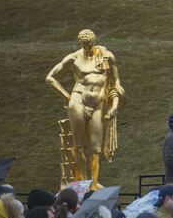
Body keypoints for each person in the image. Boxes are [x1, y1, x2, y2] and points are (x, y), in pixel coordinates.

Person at [46, 29, 125, 189]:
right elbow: (50, 77)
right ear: (80, 43)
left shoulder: (106, 56)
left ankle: (94, 183)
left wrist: (114, 106)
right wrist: (67, 96)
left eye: (89, 44)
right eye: (84, 44)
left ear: (94, 41)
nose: (87, 47)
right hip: (78, 101)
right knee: (79, 144)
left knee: (96, 147)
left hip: (97, 105)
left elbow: (116, 82)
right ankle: (82, 181)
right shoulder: (74, 58)